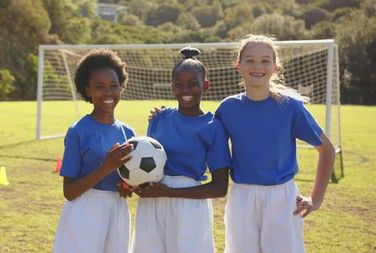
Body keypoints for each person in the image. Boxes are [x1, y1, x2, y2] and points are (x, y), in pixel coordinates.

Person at [215, 34, 336, 253]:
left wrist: (316, 199)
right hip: (242, 196)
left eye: (265, 60)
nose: (257, 66)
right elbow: (208, 141)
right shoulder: (227, 108)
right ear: (238, 66)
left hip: (282, 197)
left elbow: (326, 150)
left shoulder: (290, 107)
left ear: (275, 67)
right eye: (250, 60)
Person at [131, 46, 232, 253]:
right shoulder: (159, 118)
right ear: (172, 88)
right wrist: (137, 186)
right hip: (153, 203)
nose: (186, 90)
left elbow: (220, 187)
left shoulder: (213, 126)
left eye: (193, 84)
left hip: (189, 206)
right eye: (179, 85)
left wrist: (171, 192)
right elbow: (145, 165)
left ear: (205, 85)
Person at [52, 48, 136, 253]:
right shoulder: (78, 132)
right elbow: (69, 192)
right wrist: (105, 168)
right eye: (99, 87)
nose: (107, 93)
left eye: (113, 86)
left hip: (117, 211)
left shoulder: (128, 132)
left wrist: (127, 187)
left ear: (121, 87)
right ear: (87, 90)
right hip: (85, 212)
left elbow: (129, 177)